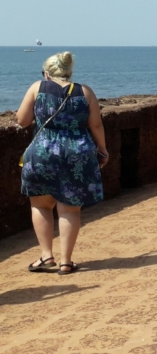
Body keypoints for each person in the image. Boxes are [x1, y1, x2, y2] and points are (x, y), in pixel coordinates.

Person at [16, 52, 108, 275]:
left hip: (42, 152)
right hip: (77, 153)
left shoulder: (37, 87)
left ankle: (47, 257)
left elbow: (22, 120)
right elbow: (95, 125)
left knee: (40, 205)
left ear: (47, 73)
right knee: (70, 209)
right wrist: (103, 149)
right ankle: (66, 262)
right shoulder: (85, 91)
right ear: (69, 72)